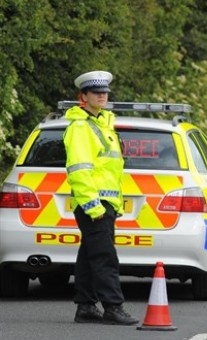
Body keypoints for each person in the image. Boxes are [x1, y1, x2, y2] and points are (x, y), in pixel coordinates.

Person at [64, 70, 139, 325]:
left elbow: (109, 170)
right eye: (96, 92)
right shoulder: (80, 128)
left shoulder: (103, 125)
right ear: (82, 96)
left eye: (105, 92)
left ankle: (85, 306)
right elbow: (79, 170)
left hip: (105, 203)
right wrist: (93, 206)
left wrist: (110, 205)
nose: (102, 96)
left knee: (89, 255)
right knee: (105, 256)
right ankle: (113, 307)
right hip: (93, 204)